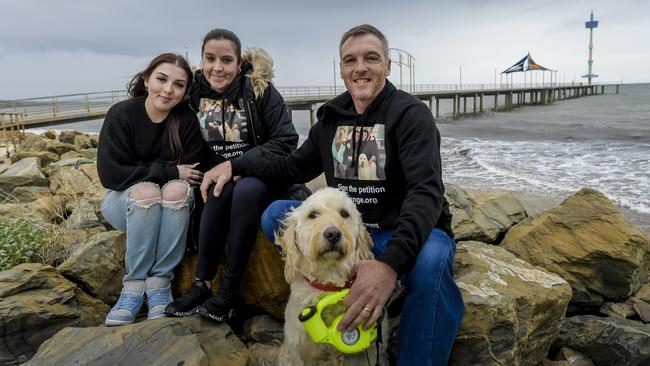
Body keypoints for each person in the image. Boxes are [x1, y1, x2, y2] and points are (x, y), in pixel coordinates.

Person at [201, 24, 464, 364]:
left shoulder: (410, 115)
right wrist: (237, 165)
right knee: (275, 214)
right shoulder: (331, 117)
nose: (360, 68)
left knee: (431, 263)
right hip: (343, 228)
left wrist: (387, 266)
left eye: (371, 58)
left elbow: (425, 193)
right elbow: (292, 168)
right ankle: (319, 283)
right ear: (341, 69)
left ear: (387, 66)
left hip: (400, 231)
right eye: (350, 60)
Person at [165, 29, 298, 322]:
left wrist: (239, 164)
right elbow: (159, 101)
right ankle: (202, 284)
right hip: (217, 177)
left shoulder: (259, 90)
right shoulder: (193, 90)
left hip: (258, 175)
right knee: (215, 189)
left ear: (239, 64)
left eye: (226, 60)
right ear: (201, 61)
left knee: (244, 190)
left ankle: (229, 291)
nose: (218, 67)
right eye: (210, 59)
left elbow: (286, 140)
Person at [97, 53, 208, 326]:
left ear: (184, 92)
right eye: (161, 79)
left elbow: (191, 173)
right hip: (122, 203)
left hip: (169, 204)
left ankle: (159, 285)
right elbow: (111, 175)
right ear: (147, 80)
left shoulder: (185, 121)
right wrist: (169, 171)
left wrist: (166, 176)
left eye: (179, 85)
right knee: (147, 192)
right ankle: (133, 288)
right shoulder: (122, 114)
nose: (168, 89)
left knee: (177, 191)